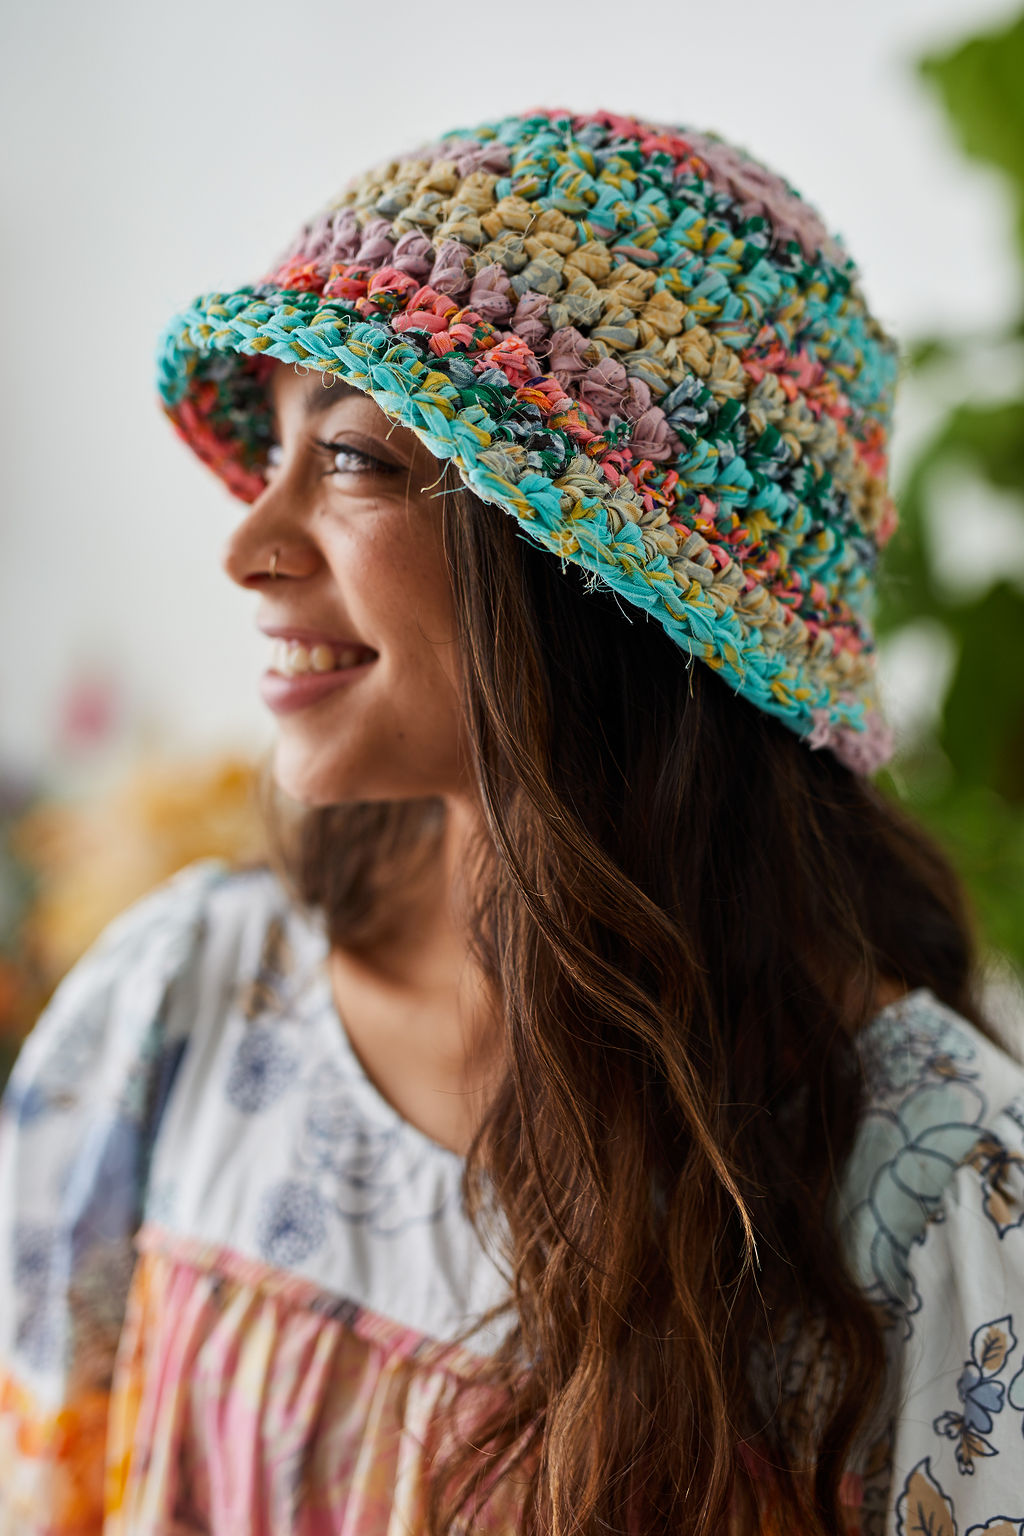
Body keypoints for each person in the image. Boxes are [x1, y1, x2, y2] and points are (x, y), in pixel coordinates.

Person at [1, 104, 1023, 1536]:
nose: (246, 541)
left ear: (596, 560)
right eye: (276, 446)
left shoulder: (930, 1195)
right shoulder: (178, 1010)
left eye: (351, 456)